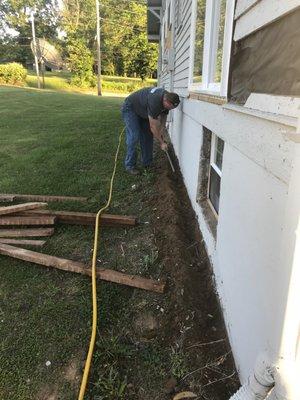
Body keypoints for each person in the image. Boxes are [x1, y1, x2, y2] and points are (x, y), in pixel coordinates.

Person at [121, 87, 180, 174]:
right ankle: (130, 165)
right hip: (131, 108)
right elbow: (153, 126)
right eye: (170, 107)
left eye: (172, 108)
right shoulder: (155, 101)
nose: (170, 109)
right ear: (165, 101)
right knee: (134, 136)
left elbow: (163, 117)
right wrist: (161, 142)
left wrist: (161, 131)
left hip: (144, 111)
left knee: (147, 136)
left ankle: (147, 163)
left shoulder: (168, 98)